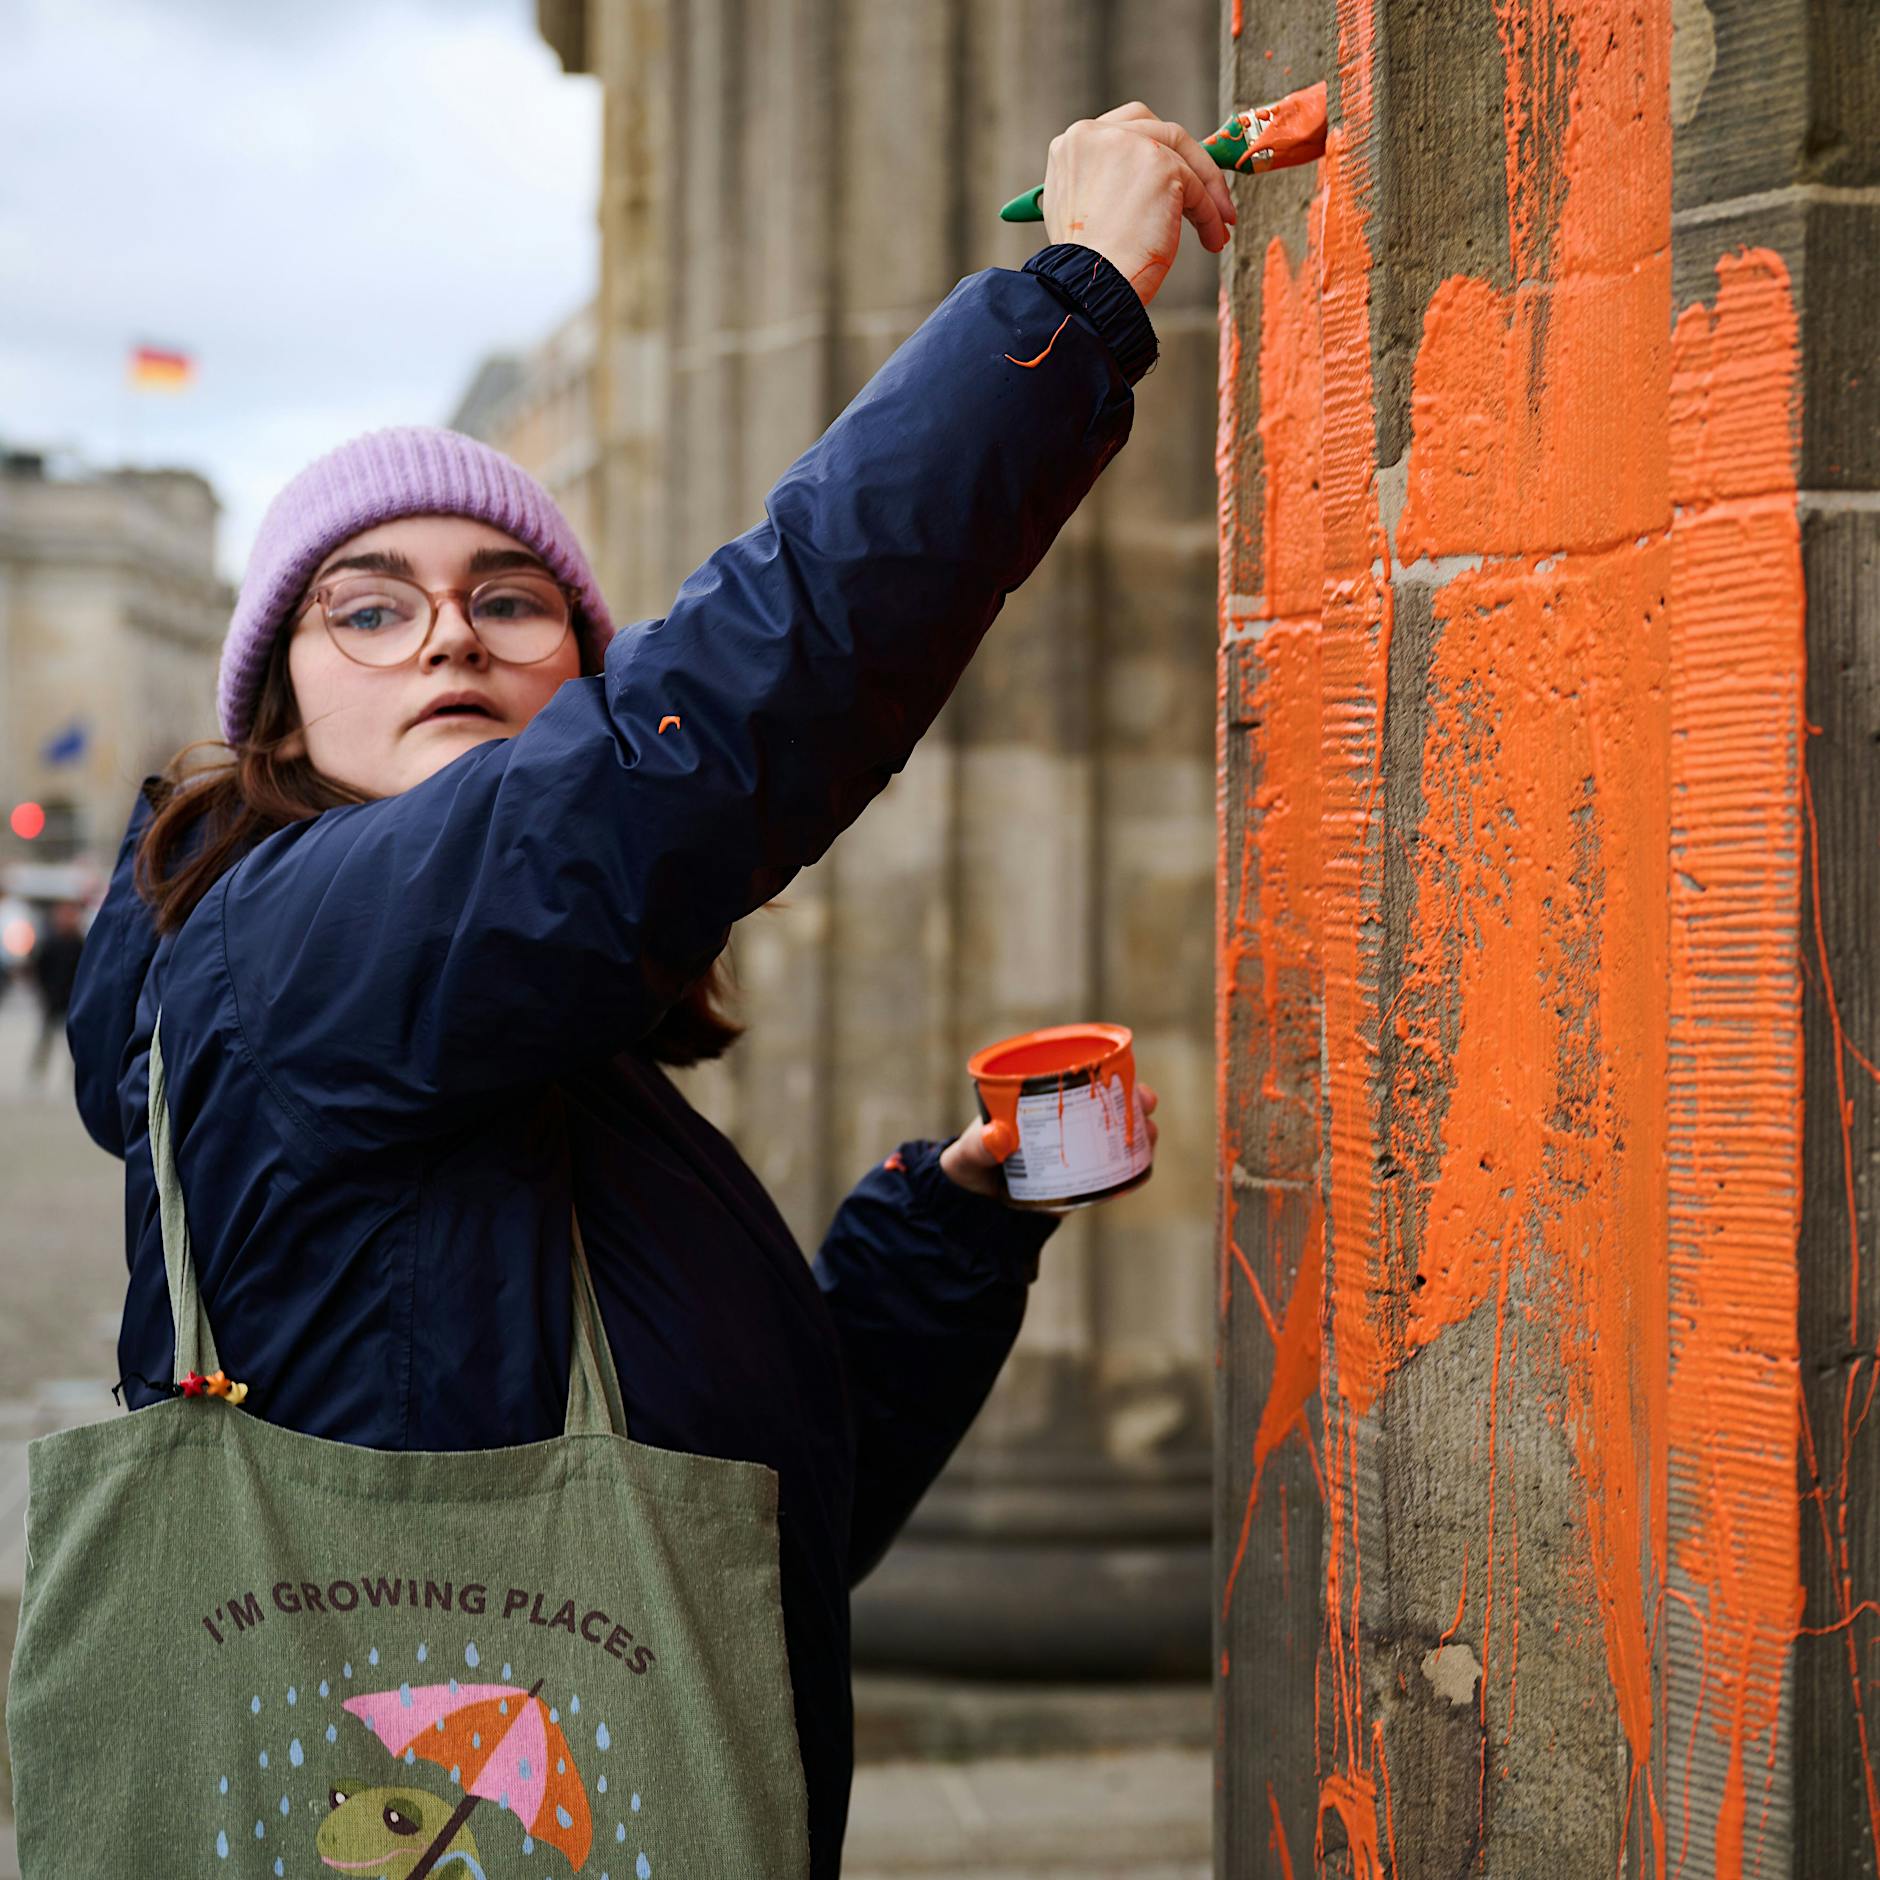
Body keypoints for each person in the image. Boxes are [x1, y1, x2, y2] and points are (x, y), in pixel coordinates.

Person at [66, 106, 1232, 1877]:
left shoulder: (563, 1072)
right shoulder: (278, 949)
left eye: (513, 599)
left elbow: (733, 1541)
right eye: (369, 610)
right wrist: (1063, 309)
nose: (451, 633)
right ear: (281, 720)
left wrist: (950, 1232)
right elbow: (700, 743)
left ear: (567, 673)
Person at [27, 899, 85, 1081]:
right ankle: (38, 1070)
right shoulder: (49, 943)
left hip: (71, 999)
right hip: (52, 998)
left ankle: (75, 1072)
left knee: (73, 1040)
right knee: (46, 1038)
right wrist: (44, 991)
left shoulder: (79, 943)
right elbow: (38, 968)